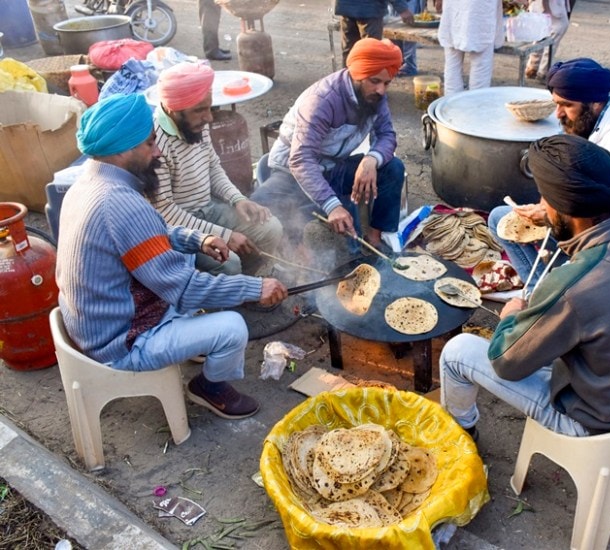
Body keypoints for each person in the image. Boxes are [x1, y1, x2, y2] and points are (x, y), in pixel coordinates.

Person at [55, 93, 289, 420]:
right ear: (122, 150)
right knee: (233, 326)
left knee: (194, 270)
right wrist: (255, 288)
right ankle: (210, 388)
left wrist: (198, 239)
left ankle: (193, 345)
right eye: (150, 144)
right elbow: (184, 289)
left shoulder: (89, 183)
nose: (158, 151)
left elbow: (149, 235)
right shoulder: (120, 204)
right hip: (120, 342)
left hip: (96, 320)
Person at [440, 134, 610, 440]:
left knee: (456, 352)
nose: (542, 206)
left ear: (564, 208)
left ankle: (462, 435)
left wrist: (509, 318)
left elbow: (506, 364)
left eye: (545, 199)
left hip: (598, 423)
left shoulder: (573, 286)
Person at [489, 57, 610, 288]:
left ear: (595, 103)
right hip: (595, 226)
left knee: (497, 219)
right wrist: (549, 207)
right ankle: (542, 284)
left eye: (566, 105)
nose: (558, 114)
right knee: (502, 218)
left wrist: (551, 217)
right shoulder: (595, 121)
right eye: (556, 104)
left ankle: (541, 294)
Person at [250, 38, 406, 250]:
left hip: (334, 167)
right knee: (258, 207)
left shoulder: (376, 97)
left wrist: (371, 159)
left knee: (393, 168)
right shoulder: (322, 100)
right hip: (293, 172)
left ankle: (374, 240)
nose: (381, 90)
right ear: (357, 75)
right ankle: (294, 254)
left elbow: (387, 135)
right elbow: (301, 159)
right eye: (374, 81)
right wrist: (332, 205)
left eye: (386, 83)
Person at [150, 62, 283, 277]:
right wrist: (224, 234)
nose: (209, 118)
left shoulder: (195, 125)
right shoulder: (156, 142)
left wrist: (237, 199)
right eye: (200, 111)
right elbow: (166, 213)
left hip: (209, 209)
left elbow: (213, 167)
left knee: (271, 228)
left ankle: (252, 281)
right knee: (227, 262)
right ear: (174, 109)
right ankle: (227, 294)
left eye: (209, 108)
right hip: (180, 228)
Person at [435, 0, 504, 95]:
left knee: (452, 65)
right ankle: (475, 106)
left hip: (453, 12)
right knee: (480, 67)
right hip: (480, 13)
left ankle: (452, 106)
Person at [334, 0, 413, 66]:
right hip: (370, 10)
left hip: (346, 8)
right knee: (370, 53)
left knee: (350, 51)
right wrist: (403, 9)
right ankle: (366, 81)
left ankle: (347, 82)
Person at [524, 0, 571, 81]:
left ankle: (533, 66)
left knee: (540, 33)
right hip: (551, 6)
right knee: (556, 31)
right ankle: (543, 71)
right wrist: (546, 8)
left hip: (543, 5)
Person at [390, 0, 424, 77]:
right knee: (394, 31)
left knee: (409, 32)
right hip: (393, 3)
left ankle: (410, 65)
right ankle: (399, 62)